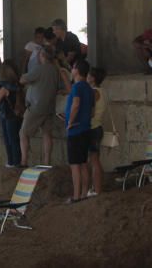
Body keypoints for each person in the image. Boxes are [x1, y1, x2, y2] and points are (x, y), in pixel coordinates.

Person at [19, 42, 65, 167]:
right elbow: (61, 88)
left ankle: (24, 161)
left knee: (23, 133)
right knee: (46, 134)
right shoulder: (56, 70)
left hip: (36, 107)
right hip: (50, 107)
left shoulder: (39, 69)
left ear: (42, 56)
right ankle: (46, 162)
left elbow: (22, 80)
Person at [65, 59, 94, 203]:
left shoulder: (77, 87)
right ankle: (83, 194)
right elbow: (92, 110)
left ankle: (76, 196)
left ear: (76, 70)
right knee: (83, 163)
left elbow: (75, 104)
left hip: (75, 130)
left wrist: (70, 121)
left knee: (75, 165)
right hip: (86, 129)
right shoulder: (89, 88)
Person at [0, 61, 22, 168]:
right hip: (17, 114)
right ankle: (17, 161)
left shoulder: (4, 87)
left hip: (8, 116)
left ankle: (12, 162)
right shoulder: (17, 84)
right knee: (16, 140)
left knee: (9, 140)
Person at [86, 67, 107, 197]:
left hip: (93, 128)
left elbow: (89, 112)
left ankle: (97, 190)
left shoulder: (94, 92)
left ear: (92, 78)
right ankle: (96, 188)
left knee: (94, 161)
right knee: (95, 160)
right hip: (98, 127)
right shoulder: (102, 91)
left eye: (88, 75)